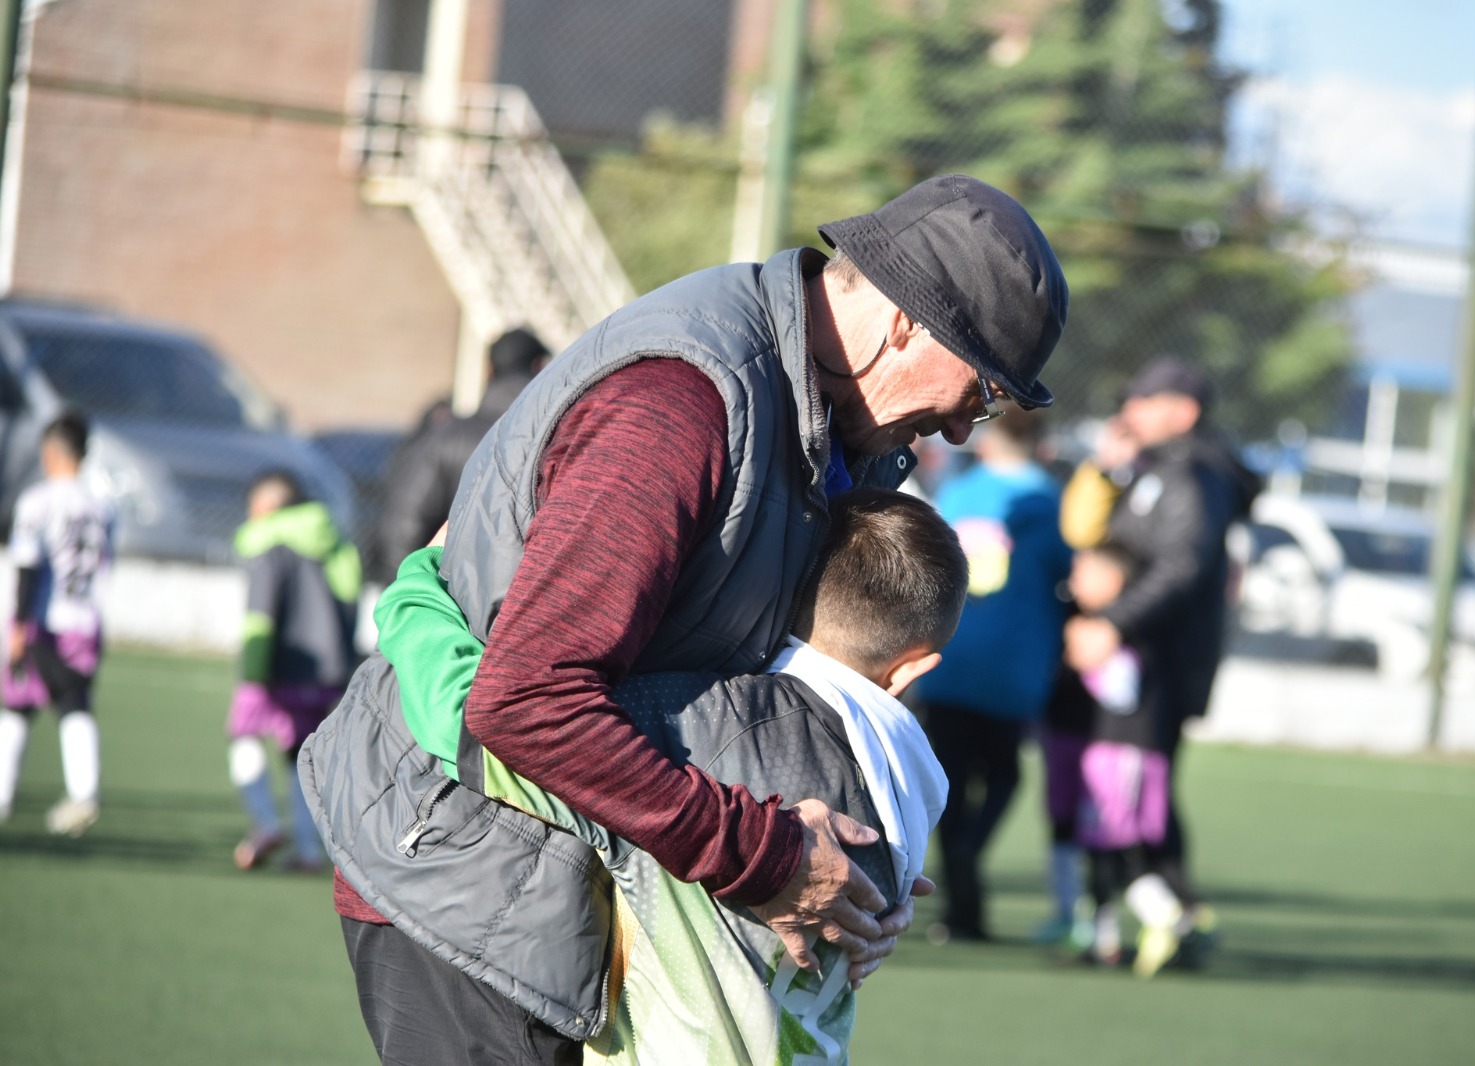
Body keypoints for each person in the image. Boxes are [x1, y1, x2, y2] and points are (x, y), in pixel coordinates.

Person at [301, 173, 1070, 1064]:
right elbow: (524, 702)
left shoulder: (836, 429)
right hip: (470, 876)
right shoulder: (679, 408)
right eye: (984, 390)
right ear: (906, 324)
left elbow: (738, 684)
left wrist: (854, 868)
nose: (968, 429)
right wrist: (769, 858)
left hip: (594, 873)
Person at [347, 487, 963, 1064]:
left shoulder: (700, 726)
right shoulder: (912, 795)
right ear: (916, 669)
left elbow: (485, 725)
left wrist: (417, 584)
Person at [1065, 357, 1260, 962]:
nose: (1131, 412)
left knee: (1128, 793)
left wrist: (1110, 622)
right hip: (1144, 661)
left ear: (1184, 411)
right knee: (1140, 793)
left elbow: (1182, 565)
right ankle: (1179, 915)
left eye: (1145, 401)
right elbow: (1088, 533)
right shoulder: (1158, 469)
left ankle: (1172, 914)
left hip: (1158, 667)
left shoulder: (1193, 475)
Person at [914, 405, 1073, 942]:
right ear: (1041, 447)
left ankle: (961, 897)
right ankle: (968, 860)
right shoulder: (1047, 502)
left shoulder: (960, 493)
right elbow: (1066, 572)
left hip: (950, 657)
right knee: (1004, 774)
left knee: (949, 781)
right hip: (1014, 665)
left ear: (988, 443)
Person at [1034, 413, 1141, 948]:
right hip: (1062, 730)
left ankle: (1105, 926)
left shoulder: (1126, 622)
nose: (1077, 576)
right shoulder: (1069, 605)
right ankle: (1066, 911)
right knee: (1059, 818)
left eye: (1089, 569)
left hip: (1109, 745)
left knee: (1107, 833)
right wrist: (1102, 465)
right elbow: (1080, 527)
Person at [227, 470, 361, 871]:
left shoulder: (269, 546)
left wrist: (253, 672)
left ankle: (266, 823)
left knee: (242, 736)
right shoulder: (334, 542)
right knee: (300, 758)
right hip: (324, 675)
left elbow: (260, 615)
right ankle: (307, 851)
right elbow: (350, 602)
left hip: (278, 668)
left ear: (265, 508)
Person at [1066, 541, 1186, 977]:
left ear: (1113, 581)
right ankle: (1105, 939)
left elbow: (1122, 691)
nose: (1075, 580)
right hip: (1109, 753)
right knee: (1101, 850)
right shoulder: (1113, 626)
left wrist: (1084, 662)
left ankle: (1168, 915)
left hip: (1121, 754)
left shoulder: (1120, 630)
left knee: (1115, 848)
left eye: (1085, 571)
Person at [0, 411, 114, 835]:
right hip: (86, 622)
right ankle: (77, 793)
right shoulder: (102, 506)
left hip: (45, 622)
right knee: (65, 700)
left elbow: (28, 568)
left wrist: (17, 627)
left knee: (22, 702)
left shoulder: (38, 501)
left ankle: (19, 794)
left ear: (51, 452)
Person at [376, 326, 549, 583]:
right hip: (518, 606)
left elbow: (404, 525)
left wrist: (408, 598)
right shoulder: (552, 443)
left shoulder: (447, 436)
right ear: (538, 367)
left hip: (445, 600)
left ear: (488, 370)